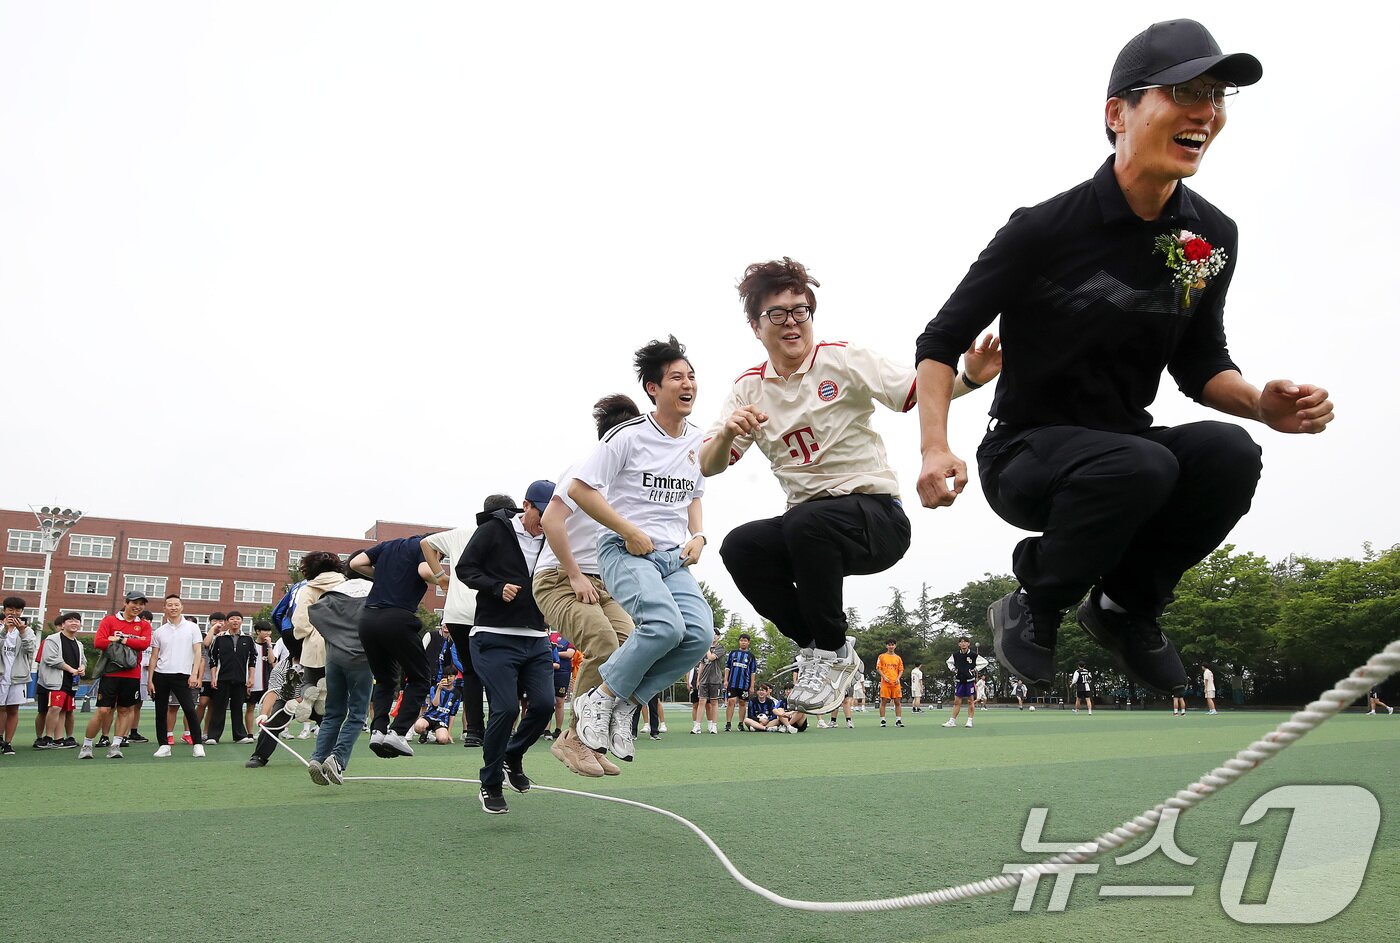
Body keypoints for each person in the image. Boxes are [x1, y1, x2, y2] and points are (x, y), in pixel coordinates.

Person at [915, 20, 1333, 700]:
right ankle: (1036, 601)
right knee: (1140, 463)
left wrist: (1260, 403)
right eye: (1185, 92)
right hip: (1024, 456)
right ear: (1118, 113)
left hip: (1129, 458)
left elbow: (1200, 364)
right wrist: (935, 446)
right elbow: (939, 343)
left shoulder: (1210, 237)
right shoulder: (1042, 230)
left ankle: (1123, 607)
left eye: (1218, 95)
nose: (1206, 111)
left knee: (1230, 453)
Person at [701, 257, 1000, 714]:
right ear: (755, 325)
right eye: (777, 314)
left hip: (875, 519)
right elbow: (708, 465)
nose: (792, 322)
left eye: (801, 311)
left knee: (805, 521)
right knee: (741, 546)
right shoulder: (748, 390)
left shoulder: (841, 358)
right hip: (812, 532)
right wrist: (725, 433)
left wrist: (970, 377)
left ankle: (831, 649)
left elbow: (916, 392)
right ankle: (825, 649)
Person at [570, 336, 712, 766]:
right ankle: (597, 699)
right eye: (676, 378)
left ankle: (628, 701)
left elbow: (695, 493)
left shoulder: (698, 440)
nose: (687, 384)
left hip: (674, 558)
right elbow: (580, 490)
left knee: (699, 634)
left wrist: (700, 536)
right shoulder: (627, 436)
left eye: (691, 377)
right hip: (625, 551)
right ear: (653, 388)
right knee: (664, 626)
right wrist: (627, 529)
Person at [456, 481, 557, 814]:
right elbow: (464, 569)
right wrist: (496, 587)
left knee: (543, 707)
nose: (546, 521)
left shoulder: (556, 533)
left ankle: (512, 755)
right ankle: (490, 782)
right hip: (492, 635)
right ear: (526, 506)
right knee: (506, 708)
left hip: (537, 638)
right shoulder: (494, 530)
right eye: (542, 513)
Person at [349, 533, 436, 759]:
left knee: (385, 679)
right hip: (397, 619)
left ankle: (378, 730)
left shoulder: (390, 545)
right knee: (420, 677)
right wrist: (447, 580)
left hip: (367, 620)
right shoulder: (424, 547)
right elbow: (425, 572)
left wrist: (384, 577)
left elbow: (355, 563)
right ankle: (397, 732)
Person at [421, 521, 489, 748]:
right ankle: (492, 727)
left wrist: (440, 576)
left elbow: (426, 543)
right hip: (484, 611)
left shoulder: (458, 534)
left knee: (470, 673)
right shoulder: (502, 533)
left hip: (455, 614)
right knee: (493, 670)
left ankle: (474, 732)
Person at [306, 576, 376, 786]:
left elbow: (313, 613)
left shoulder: (335, 591)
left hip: (334, 658)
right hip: (362, 659)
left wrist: (333, 636)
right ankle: (337, 759)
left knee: (333, 713)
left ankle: (317, 758)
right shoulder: (375, 591)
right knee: (357, 713)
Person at [79, 592, 153, 759]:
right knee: (103, 710)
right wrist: (128, 640)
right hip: (111, 673)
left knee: (125, 710)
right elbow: (99, 642)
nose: (138, 607)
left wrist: (120, 639)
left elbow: (144, 643)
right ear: (126, 602)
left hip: (132, 675)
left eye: (142, 604)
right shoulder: (110, 620)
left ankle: (115, 745)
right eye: (135, 603)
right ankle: (87, 745)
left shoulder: (143, 625)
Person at [148, 594, 206, 758]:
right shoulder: (159, 631)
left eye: (176, 605)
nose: (173, 608)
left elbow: (197, 652)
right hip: (161, 675)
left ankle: (197, 744)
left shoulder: (192, 628)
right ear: (164, 608)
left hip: (183, 675)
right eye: (169, 605)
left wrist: (194, 674)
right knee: (161, 712)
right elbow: (154, 656)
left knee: (189, 709)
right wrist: (150, 679)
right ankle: (164, 745)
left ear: (181, 607)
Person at [35, 611, 85, 749]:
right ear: (63, 624)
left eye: (77, 621)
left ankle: (59, 739)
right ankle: (47, 737)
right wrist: (71, 669)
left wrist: (82, 668)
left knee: (64, 709)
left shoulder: (78, 644)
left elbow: (83, 661)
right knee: (54, 707)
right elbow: (51, 659)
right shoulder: (52, 639)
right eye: (70, 620)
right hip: (55, 681)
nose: (74, 623)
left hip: (71, 682)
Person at [206, 611, 256, 744]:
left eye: (238, 619)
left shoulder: (248, 639)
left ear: (241, 621)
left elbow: (252, 660)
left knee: (238, 707)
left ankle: (239, 735)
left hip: (240, 680)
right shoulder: (220, 639)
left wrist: (251, 677)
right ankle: (213, 736)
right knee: (218, 708)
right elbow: (213, 660)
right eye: (232, 619)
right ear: (227, 621)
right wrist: (213, 677)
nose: (235, 621)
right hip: (222, 679)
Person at [0, 596, 38, 755]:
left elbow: (31, 649)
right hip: (1, 675)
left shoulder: (27, 631)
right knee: (1, 708)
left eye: (18, 610)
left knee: (13, 709)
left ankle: (8, 742)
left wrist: (22, 631)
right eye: (11, 610)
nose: (14, 614)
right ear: (4, 611)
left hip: (17, 676)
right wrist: (4, 631)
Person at [943, 637, 987, 729]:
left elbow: (984, 662)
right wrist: (953, 669)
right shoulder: (955, 655)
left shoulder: (973, 655)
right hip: (959, 680)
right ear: (959, 644)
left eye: (965, 642)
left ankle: (969, 720)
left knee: (970, 701)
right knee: (957, 701)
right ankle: (952, 721)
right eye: (961, 642)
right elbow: (949, 662)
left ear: (968, 644)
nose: (963, 644)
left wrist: (975, 670)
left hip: (969, 681)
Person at [414, 670, 463, 744]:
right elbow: (435, 705)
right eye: (446, 676)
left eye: (451, 676)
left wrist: (448, 733)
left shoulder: (457, 694)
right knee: (418, 727)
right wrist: (439, 689)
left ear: (456, 677)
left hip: (442, 720)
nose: (448, 678)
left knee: (443, 740)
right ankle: (425, 733)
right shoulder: (434, 688)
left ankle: (438, 735)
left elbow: (452, 714)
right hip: (429, 717)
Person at [723, 633, 758, 731]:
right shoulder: (733, 653)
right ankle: (728, 723)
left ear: (748, 642)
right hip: (732, 683)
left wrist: (752, 686)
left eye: (745, 641)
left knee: (742, 702)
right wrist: (725, 680)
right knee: (731, 701)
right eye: (741, 640)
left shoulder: (751, 656)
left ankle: (740, 724)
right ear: (739, 641)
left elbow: (752, 672)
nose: (743, 642)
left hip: (744, 684)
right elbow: (727, 667)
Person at [694, 629, 724, 734]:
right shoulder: (704, 649)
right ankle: (697, 726)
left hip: (715, 679)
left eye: (715, 634)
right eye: (712, 634)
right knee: (701, 701)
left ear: (719, 636)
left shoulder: (720, 648)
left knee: (714, 702)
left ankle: (713, 725)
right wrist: (698, 679)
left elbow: (711, 657)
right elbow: (702, 664)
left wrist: (707, 648)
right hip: (704, 680)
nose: (713, 636)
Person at [876, 638, 904, 728]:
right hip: (885, 683)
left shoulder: (898, 658)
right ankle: (883, 720)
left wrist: (898, 678)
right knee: (884, 701)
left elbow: (901, 670)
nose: (891, 646)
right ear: (886, 646)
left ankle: (898, 720)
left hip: (895, 683)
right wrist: (884, 677)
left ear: (895, 646)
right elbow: (878, 668)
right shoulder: (881, 656)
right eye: (889, 644)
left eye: (892, 644)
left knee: (897, 701)